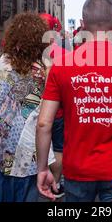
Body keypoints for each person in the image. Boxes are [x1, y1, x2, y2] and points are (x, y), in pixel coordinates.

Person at [36, 0, 112, 202]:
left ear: (82, 24)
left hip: (77, 170)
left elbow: (44, 123)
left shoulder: (61, 65)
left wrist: (42, 169)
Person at [0, 13, 51, 202]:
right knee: (27, 189)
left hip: (0, 137)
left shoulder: (0, 61)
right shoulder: (44, 68)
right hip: (29, 141)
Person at [40, 13, 68, 199]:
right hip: (57, 110)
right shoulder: (63, 54)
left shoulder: (28, 52)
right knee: (58, 148)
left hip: (34, 110)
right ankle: (55, 183)